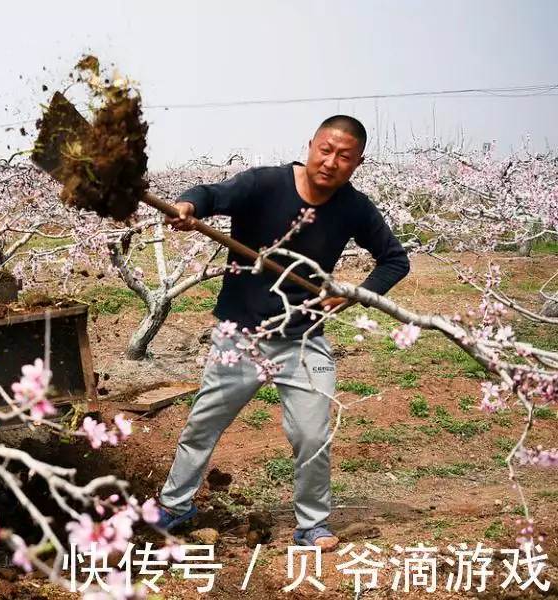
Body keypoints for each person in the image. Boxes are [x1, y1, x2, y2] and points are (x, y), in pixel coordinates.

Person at [154, 116, 411, 551]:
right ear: (310, 145)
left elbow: (394, 260)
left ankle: (312, 524)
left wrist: (352, 294)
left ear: (357, 163)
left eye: (343, 157)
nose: (330, 162)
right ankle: (176, 505)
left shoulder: (354, 207)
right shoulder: (265, 184)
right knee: (203, 425)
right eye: (325, 150)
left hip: (303, 338)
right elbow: (212, 195)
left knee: (313, 435)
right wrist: (188, 206)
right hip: (241, 337)